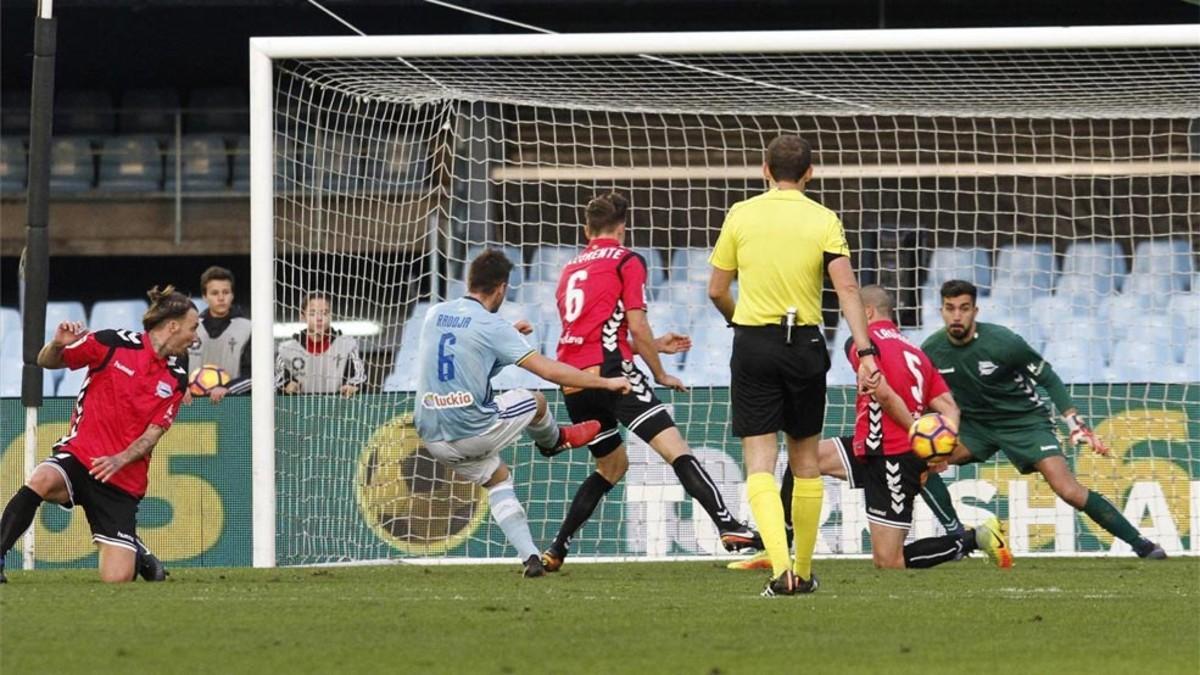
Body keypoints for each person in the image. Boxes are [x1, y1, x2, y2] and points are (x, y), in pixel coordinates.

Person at [540, 192, 761, 573]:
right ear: (622, 229)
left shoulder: (571, 268)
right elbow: (636, 323)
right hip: (614, 377)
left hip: (575, 381)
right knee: (676, 449)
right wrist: (659, 372)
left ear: (586, 229)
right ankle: (728, 526)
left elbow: (597, 334)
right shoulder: (627, 260)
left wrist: (651, 348)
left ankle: (557, 547)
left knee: (611, 467)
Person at [708, 134, 883, 596]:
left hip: (753, 342)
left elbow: (715, 289)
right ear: (810, 173)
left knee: (760, 465)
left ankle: (779, 568)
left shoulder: (741, 214)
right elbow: (847, 290)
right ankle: (802, 573)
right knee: (806, 463)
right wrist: (866, 353)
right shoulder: (824, 219)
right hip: (805, 342)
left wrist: (737, 322)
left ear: (764, 169)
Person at [728, 287, 995, 571]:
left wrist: (918, 433)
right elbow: (950, 408)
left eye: (850, 314)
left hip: (894, 456)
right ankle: (779, 546)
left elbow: (884, 394)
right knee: (803, 462)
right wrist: (939, 447)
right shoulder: (916, 351)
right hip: (869, 445)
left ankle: (975, 538)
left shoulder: (865, 343)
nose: (848, 320)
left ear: (866, 312)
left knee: (889, 561)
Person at [414, 249, 632, 577]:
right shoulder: (492, 325)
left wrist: (505, 341)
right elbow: (550, 371)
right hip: (473, 429)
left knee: (497, 478)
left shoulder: (434, 315)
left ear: (468, 281)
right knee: (536, 401)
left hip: (432, 436)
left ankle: (531, 557)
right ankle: (555, 441)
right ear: (501, 288)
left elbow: (462, 358)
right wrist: (604, 382)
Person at [923, 279, 1166, 559]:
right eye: (950, 308)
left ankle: (1143, 545)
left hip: (1025, 423)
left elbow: (1047, 376)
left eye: (964, 308)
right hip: (975, 427)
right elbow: (927, 393)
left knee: (1068, 490)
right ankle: (958, 537)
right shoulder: (932, 350)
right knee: (922, 465)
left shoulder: (1003, 342)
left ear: (975, 311)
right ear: (941, 311)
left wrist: (1074, 422)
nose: (957, 315)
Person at [0, 285, 197, 583]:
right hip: (80, 456)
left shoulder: (176, 378)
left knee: (116, 580)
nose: (195, 337)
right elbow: (47, 361)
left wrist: (120, 459)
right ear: (173, 326)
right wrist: (57, 344)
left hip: (122, 479)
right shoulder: (112, 343)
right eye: (193, 328)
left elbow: (153, 434)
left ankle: (134, 546)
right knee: (42, 479)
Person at [275, 292, 366, 397]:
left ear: (330, 315)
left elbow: (360, 377)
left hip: (338, 409)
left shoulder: (348, 346)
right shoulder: (288, 349)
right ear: (302, 316)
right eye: (312, 313)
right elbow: (278, 379)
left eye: (324, 313)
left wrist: (352, 385)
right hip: (299, 410)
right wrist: (287, 385)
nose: (319, 318)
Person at [188, 266, 252, 404]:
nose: (221, 298)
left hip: (233, 406)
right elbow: (176, 366)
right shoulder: (191, 328)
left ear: (232, 295)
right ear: (205, 297)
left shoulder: (248, 329)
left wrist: (228, 388)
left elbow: (254, 374)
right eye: (215, 293)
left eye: (226, 292)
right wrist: (182, 388)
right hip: (192, 407)